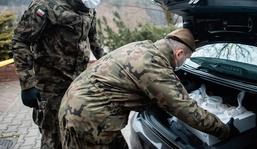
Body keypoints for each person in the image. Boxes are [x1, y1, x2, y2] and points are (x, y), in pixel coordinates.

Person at [58, 28, 239, 149]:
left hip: (77, 103)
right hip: (89, 118)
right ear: (179, 53)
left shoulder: (144, 47)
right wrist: (224, 130)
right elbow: (184, 108)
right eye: (186, 59)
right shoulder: (153, 65)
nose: (185, 63)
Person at [12, 0, 109, 149]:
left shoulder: (88, 8)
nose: (98, 0)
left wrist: (110, 64)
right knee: (52, 139)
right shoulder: (45, 5)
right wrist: (27, 84)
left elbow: (94, 40)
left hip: (76, 84)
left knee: (73, 134)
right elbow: (20, 41)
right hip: (50, 88)